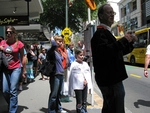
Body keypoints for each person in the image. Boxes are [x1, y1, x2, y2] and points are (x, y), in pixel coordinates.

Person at [90, 4, 137, 113]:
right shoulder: (100, 34)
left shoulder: (106, 32)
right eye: (109, 12)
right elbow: (106, 52)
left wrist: (130, 41)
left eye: (113, 13)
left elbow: (117, 52)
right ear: (101, 16)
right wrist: (124, 40)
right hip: (110, 79)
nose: (112, 15)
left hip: (112, 79)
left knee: (110, 108)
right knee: (116, 108)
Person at [0, 26, 25, 113]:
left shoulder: (19, 44)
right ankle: (11, 104)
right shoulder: (2, 42)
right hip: (5, 68)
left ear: (14, 34)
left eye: (10, 32)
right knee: (5, 90)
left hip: (16, 68)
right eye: (7, 32)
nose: (8, 34)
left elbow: (22, 57)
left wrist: (23, 70)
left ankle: (12, 110)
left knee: (13, 89)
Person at [47, 35, 68, 113]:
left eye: (61, 41)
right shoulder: (50, 51)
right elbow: (54, 45)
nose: (61, 43)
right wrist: (52, 39)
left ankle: (58, 108)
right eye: (59, 41)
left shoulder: (58, 51)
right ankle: (51, 110)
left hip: (61, 73)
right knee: (54, 94)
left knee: (59, 93)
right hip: (55, 74)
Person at [68, 48, 92, 113]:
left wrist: (86, 81)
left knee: (84, 100)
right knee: (79, 101)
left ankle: (84, 110)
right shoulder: (73, 64)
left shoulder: (85, 64)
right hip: (77, 86)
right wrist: (70, 89)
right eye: (80, 55)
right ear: (76, 55)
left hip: (85, 85)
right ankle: (79, 111)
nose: (82, 57)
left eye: (83, 55)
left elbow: (88, 74)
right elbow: (71, 77)